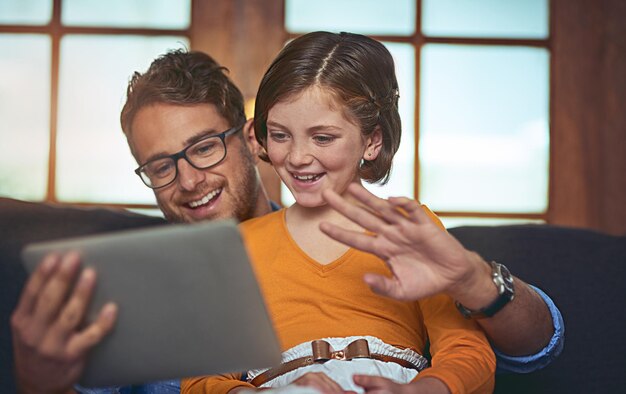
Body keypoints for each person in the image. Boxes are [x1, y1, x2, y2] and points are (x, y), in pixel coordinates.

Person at [10, 46, 563, 393]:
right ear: (270, 137)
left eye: (203, 148)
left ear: (248, 140)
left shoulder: (405, 233)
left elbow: (525, 349)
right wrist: (37, 377)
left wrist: (474, 287)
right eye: (159, 165)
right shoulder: (134, 288)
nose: (188, 179)